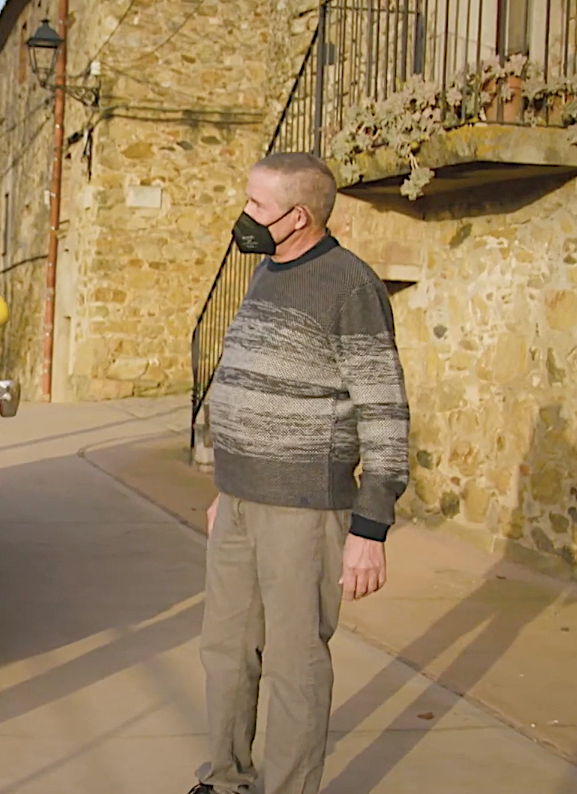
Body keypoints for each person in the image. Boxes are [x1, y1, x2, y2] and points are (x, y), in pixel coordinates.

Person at [187, 152, 410, 794]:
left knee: (295, 666)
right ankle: (226, 780)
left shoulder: (350, 287)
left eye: (257, 205)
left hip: (305, 510)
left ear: (299, 216)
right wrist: (224, 485)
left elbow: (385, 412)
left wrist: (370, 528)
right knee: (226, 653)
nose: (245, 216)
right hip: (238, 502)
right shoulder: (265, 274)